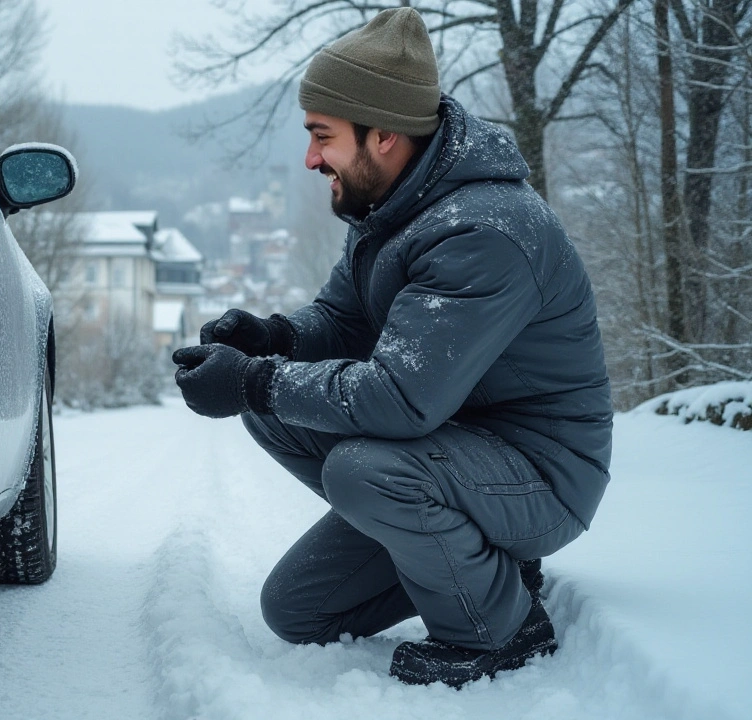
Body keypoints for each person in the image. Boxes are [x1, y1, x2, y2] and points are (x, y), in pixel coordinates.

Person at [172, 7, 612, 688]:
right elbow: (341, 322)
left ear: (382, 135)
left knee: (356, 463)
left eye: (323, 136)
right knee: (297, 611)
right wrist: (274, 339)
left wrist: (253, 381)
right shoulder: (393, 209)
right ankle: (480, 560)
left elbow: (400, 400)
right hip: (457, 455)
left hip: (543, 474)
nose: (312, 158)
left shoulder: (485, 232)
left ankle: (501, 630)